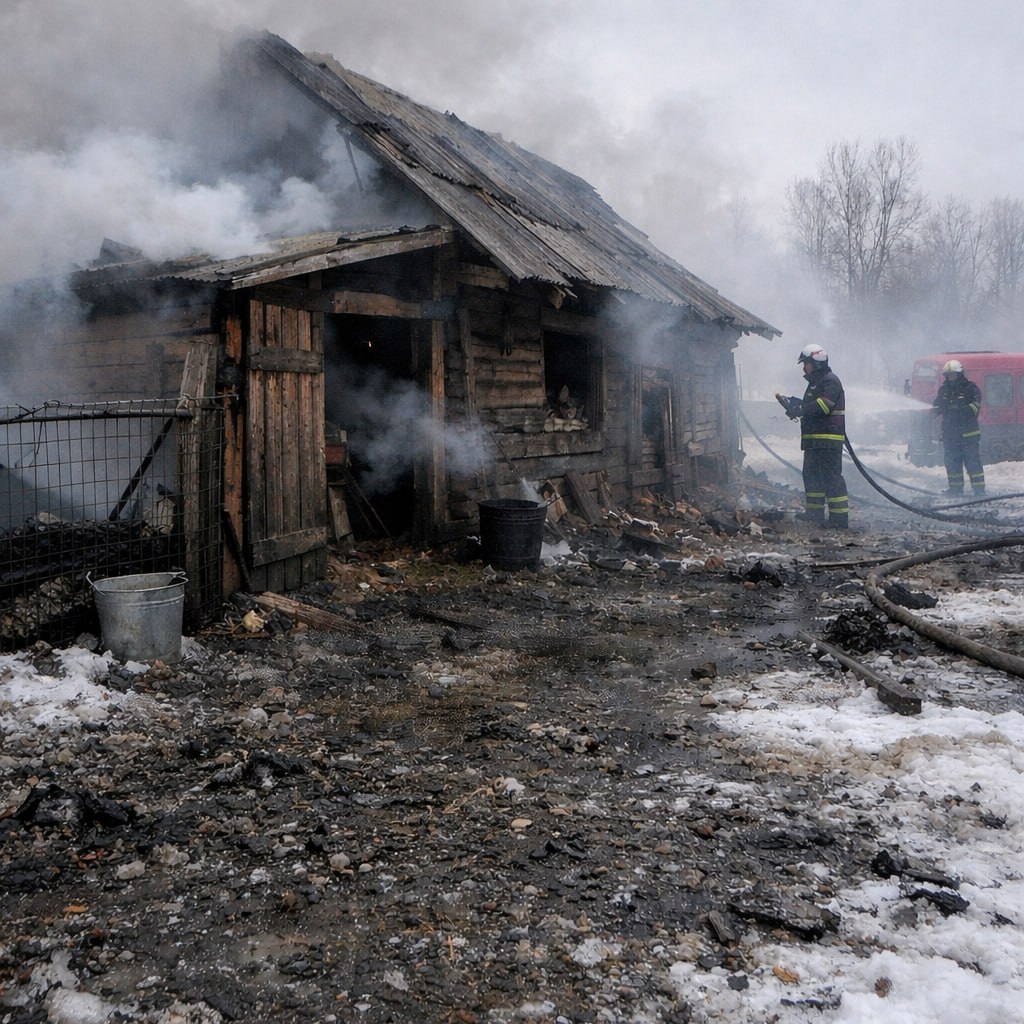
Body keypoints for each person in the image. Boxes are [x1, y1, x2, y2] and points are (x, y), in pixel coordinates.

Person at [775, 344, 849, 528]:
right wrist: (794, 404)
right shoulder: (816, 383)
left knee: (831, 478)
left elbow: (824, 406)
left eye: (806, 363)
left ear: (816, 363)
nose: (804, 367)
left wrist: (801, 409)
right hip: (814, 440)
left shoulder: (830, 381)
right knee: (811, 475)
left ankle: (839, 519)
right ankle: (815, 513)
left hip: (828, 440)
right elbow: (812, 405)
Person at [932, 359, 985, 496]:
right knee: (952, 463)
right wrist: (935, 410)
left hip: (968, 435)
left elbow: (975, 409)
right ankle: (955, 489)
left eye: (953, 375)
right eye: (948, 375)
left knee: (972, 463)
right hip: (950, 436)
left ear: (960, 374)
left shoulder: (970, 388)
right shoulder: (944, 390)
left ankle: (979, 490)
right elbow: (936, 406)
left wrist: (959, 409)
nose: (951, 378)